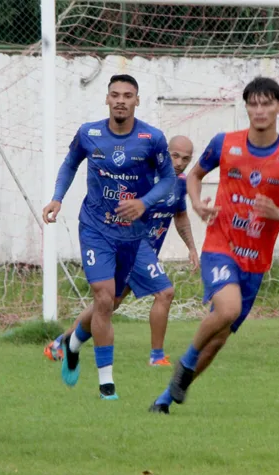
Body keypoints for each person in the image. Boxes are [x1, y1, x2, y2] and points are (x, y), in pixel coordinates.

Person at [149, 77, 279, 414]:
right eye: (253, 103)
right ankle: (186, 360)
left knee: (219, 339)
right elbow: (193, 176)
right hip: (220, 244)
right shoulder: (225, 143)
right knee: (227, 310)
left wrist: (277, 212)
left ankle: (166, 398)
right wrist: (196, 204)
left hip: (255, 259)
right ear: (247, 108)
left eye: (266, 103)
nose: (259, 110)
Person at [41, 74, 176, 400]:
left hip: (132, 236)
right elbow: (69, 164)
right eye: (115, 94)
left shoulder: (152, 138)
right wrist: (58, 196)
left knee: (111, 303)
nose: (120, 100)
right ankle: (106, 386)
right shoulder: (89, 134)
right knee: (103, 298)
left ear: (136, 100)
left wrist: (143, 203)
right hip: (95, 228)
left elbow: (168, 179)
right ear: (107, 99)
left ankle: (71, 344)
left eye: (127, 95)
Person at [44, 135, 199, 367]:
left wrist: (192, 248)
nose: (179, 162)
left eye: (185, 159)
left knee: (110, 303)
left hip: (144, 251)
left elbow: (180, 215)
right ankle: (157, 357)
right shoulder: (145, 177)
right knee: (165, 292)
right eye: (174, 156)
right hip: (133, 244)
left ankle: (61, 343)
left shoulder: (180, 183)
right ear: (165, 153)